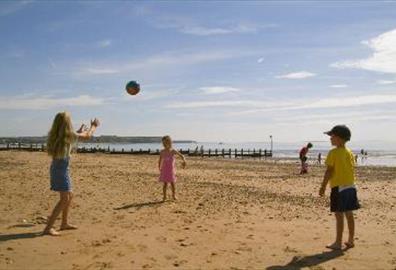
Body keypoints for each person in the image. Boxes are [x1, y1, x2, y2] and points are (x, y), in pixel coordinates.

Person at [43, 112, 100, 236]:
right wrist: (94, 126)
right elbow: (87, 136)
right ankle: (48, 228)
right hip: (61, 171)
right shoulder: (68, 135)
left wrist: (79, 131)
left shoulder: (59, 135)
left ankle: (64, 223)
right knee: (64, 199)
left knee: (70, 195)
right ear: (67, 124)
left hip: (59, 169)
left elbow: (74, 137)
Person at [319, 125, 360, 250]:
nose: (330, 138)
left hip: (338, 187)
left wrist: (323, 186)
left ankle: (338, 242)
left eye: (332, 136)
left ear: (340, 138)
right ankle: (351, 240)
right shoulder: (349, 152)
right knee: (349, 213)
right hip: (351, 186)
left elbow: (329, 171)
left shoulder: (334, 152)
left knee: (339, 214)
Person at [158, 136, 186, 201]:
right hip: (164, 170)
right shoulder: (162, 151)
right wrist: (159, 167)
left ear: (170, 143)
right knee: (165, 184)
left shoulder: (173, 151)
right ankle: (164, 197)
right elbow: (160, 160)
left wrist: (184, 160)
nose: (164, 145)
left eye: (166, 143)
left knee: (172, 183)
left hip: (171, 171)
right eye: (163, 143)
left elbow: (182, 155)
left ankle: (174, 195)